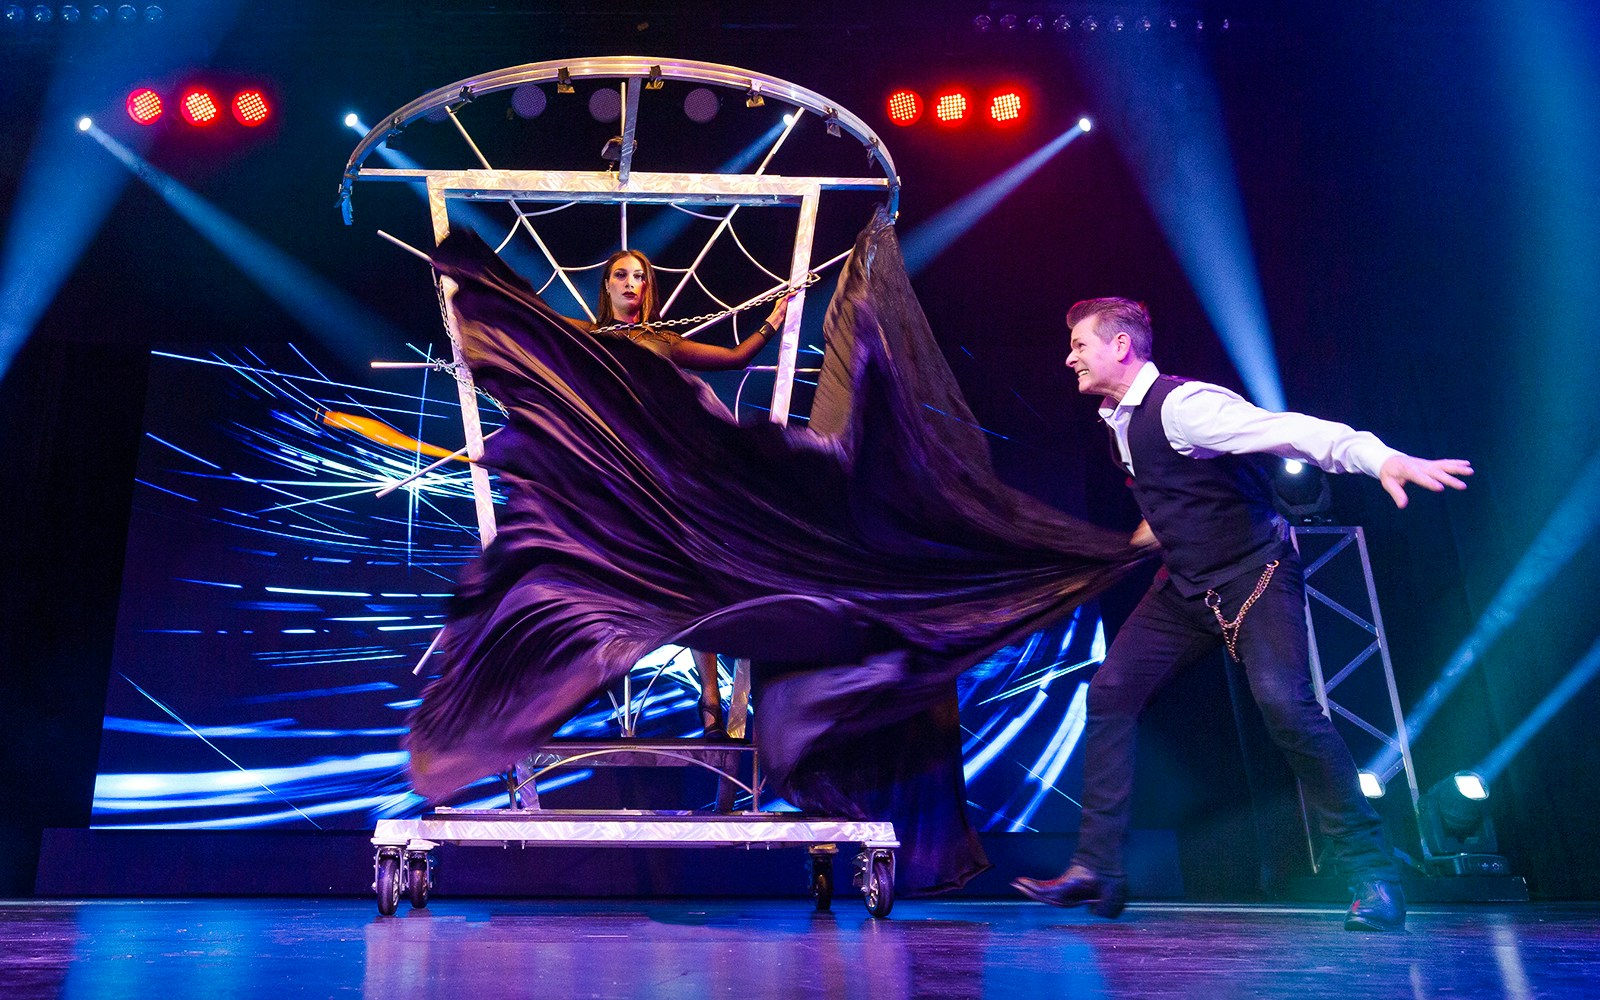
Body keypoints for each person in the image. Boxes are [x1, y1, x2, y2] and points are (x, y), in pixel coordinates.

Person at [1012, 297, 1472, 932]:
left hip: (1256, 577)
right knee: (1112, 690)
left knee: (1287, 707)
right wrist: (1113, 550)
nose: (1070, 356)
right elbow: (1178, 494)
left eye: (1081, 345)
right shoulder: (1116, 420)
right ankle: (1098, 870)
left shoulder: (1186, 405)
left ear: (1120, 347)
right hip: (1187, 589)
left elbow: (1295, 430)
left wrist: (1382, 458)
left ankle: (1374, 874)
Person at [588, 248, 792, 736]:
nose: (631, 284)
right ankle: (564, 691)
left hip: (661, 471)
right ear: (608, 286)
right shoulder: (587, 336)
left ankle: (711, 697)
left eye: (640, 276)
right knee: (592, 572)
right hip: (610, 472)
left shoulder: (661, 340)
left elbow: (736, 357)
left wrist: (772, 322)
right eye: (621, 275)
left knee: (694, 579)